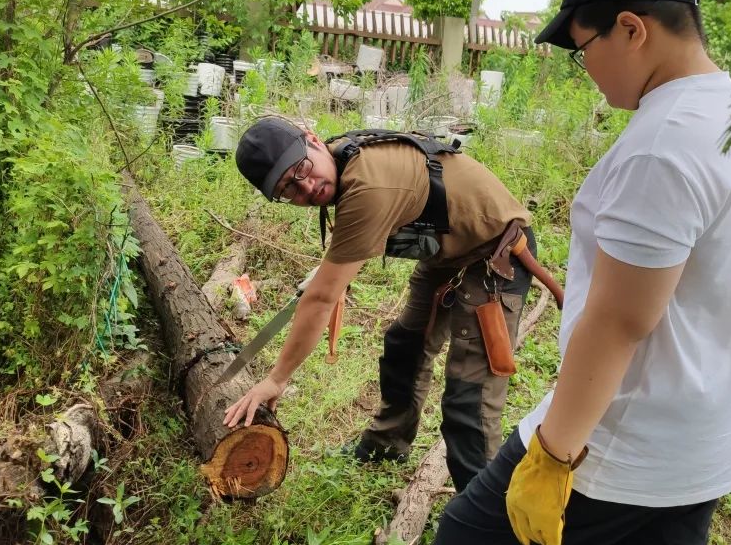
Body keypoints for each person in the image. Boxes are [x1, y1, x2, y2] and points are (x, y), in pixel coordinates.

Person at [411, 0, 731, 545]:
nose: (585, 69)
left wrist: (554, 456)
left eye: (583, 50)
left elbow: (621, 320)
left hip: (621, 442)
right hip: (701, 447)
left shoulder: (664, 145)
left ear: (631, 29)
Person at [223, 117, 554, 492]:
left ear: (314, 140)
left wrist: (276, 379)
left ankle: (480, 509)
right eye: (289, 189)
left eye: (302, 169)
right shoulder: (341, 160)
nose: (308, 187)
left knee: (468, 393)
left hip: (497, 254)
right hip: (449, 253)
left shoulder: (369, 183)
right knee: (404, 346)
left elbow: (321, 298)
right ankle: (387, 445)